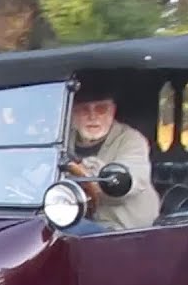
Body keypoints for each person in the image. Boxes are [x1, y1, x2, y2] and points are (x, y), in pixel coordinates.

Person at [62, 83, 160, 235]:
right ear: (73, 113)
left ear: (112, 111)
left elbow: (134, 177)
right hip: (72, 214)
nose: (93, 117)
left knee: (64, 231)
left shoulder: (131, 140)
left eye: (101, 109)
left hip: (119, 226)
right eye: (83, 110)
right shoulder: (63, 140)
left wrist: (99, 176)